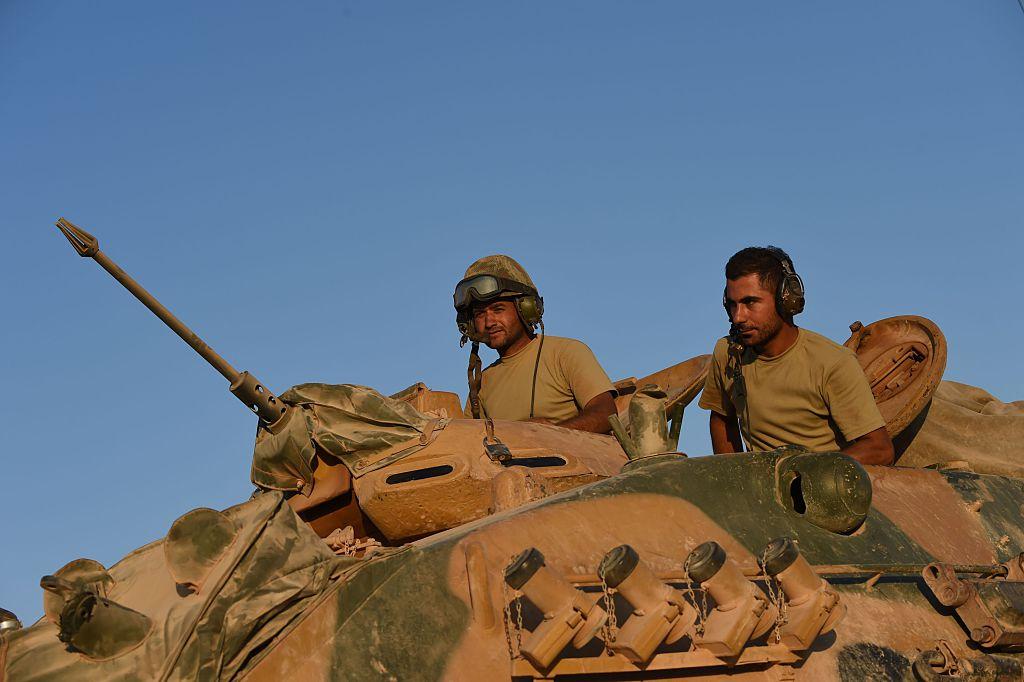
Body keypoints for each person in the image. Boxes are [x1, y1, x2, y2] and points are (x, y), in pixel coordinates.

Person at [698, 246, 895, 465]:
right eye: (732, 305)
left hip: (822, 491)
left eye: (750, 302)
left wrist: (806, 473)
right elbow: (722, 418)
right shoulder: (727, 352)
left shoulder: (832, 362)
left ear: (786, 298)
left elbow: (880, 449)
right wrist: (735, 478)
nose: (738, 317)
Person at [453, 255, 617, 433]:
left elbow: (606, 414)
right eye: (479, 314)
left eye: (498, 309)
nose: (489, 322)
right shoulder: (481, 384)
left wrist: (549, 435)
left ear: (526, 308)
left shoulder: (566, 353)